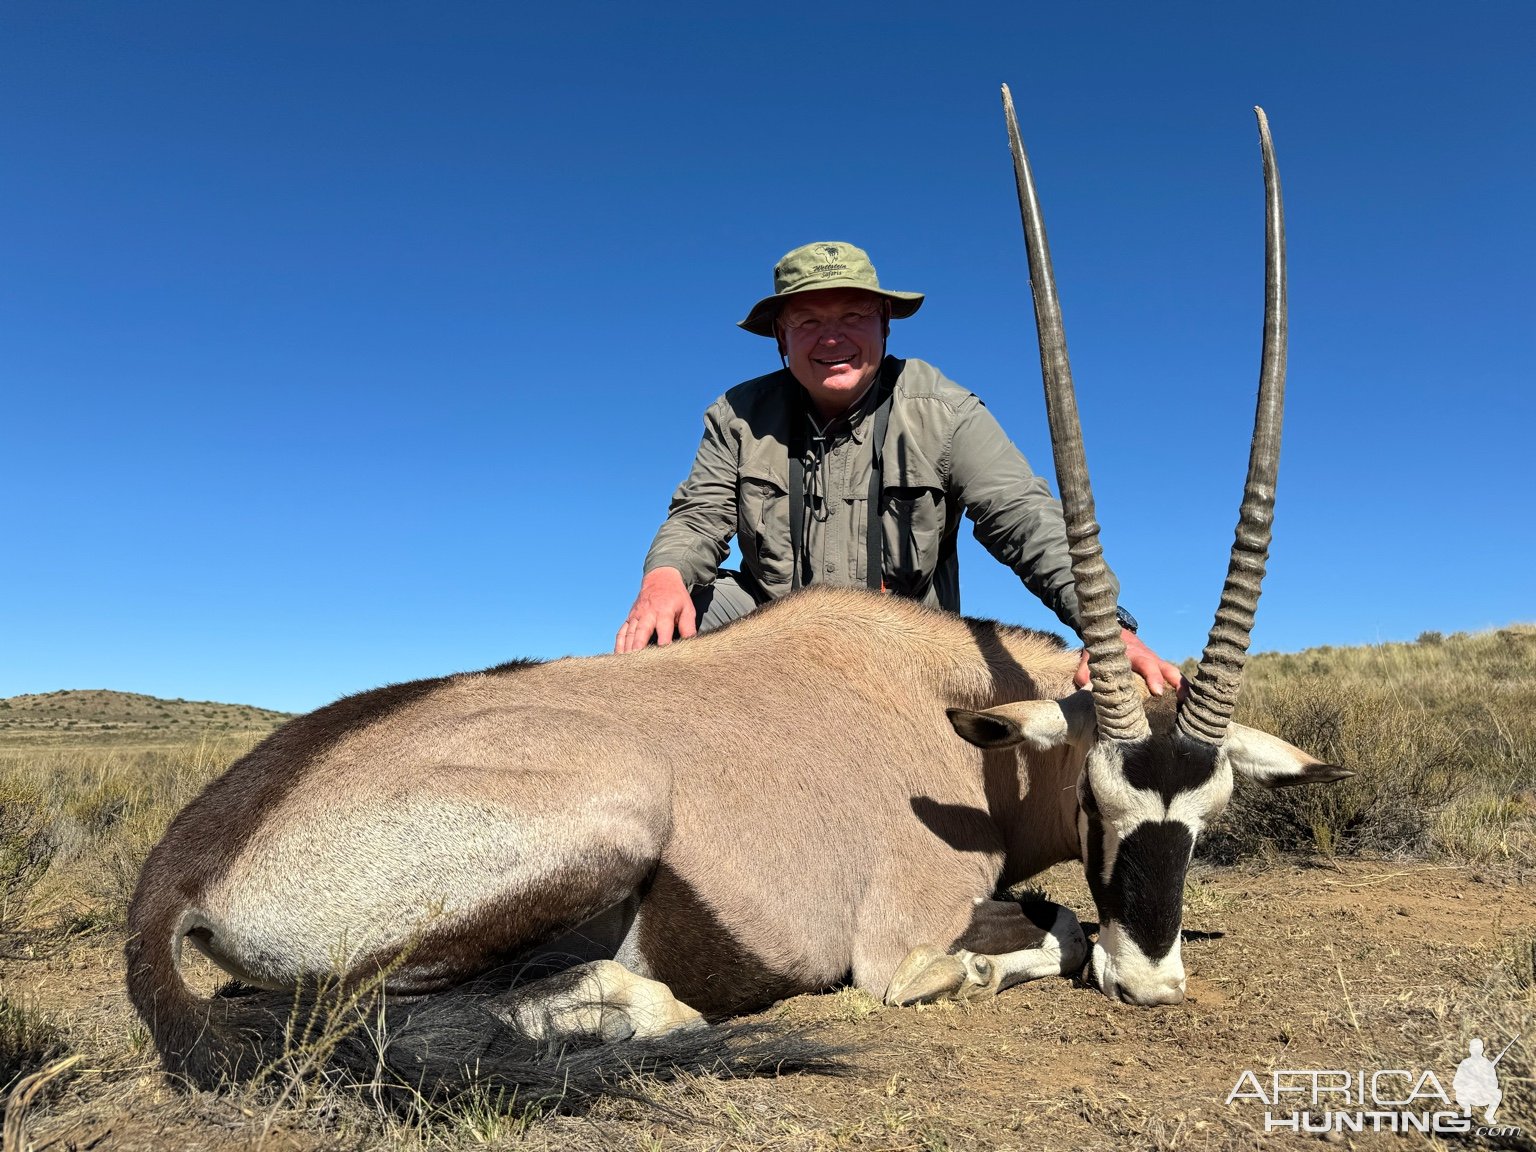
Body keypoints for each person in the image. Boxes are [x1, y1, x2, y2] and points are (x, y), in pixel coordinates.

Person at [615, 241, 1180, 695]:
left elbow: (1026, 520)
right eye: (808, 320)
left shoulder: (946, 412)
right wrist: (663, 578)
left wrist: (1108, 630)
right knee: (657, 642)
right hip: (771, 627)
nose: (831, 336)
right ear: (781, 338)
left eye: (853, 315)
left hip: (905, 637)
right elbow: (697, 518)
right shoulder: (736, 415)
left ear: (886, 322)